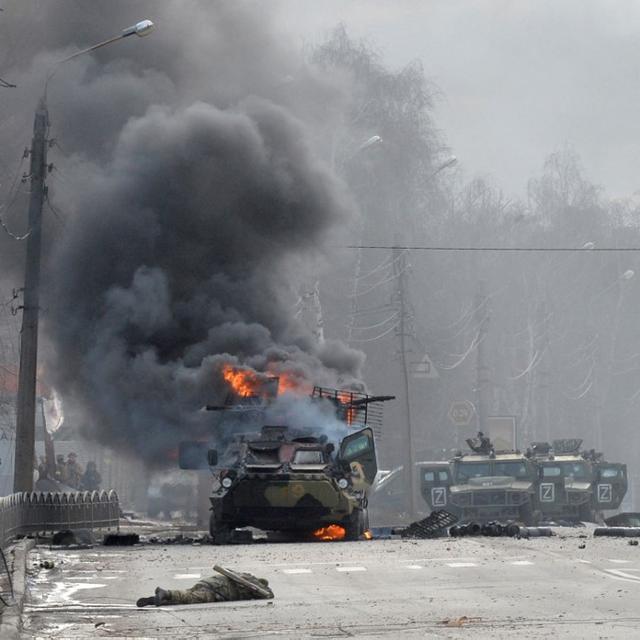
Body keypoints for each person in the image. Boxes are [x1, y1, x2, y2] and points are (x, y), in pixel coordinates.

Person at [136, 569, 274, 607]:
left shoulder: (240, 577)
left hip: (209, 584)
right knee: (191, 597)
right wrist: (262, 588)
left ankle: (157, 600)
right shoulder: (250, 580)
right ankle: (165, 593)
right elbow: (268, 594)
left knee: (189, 597)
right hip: (216, 590)